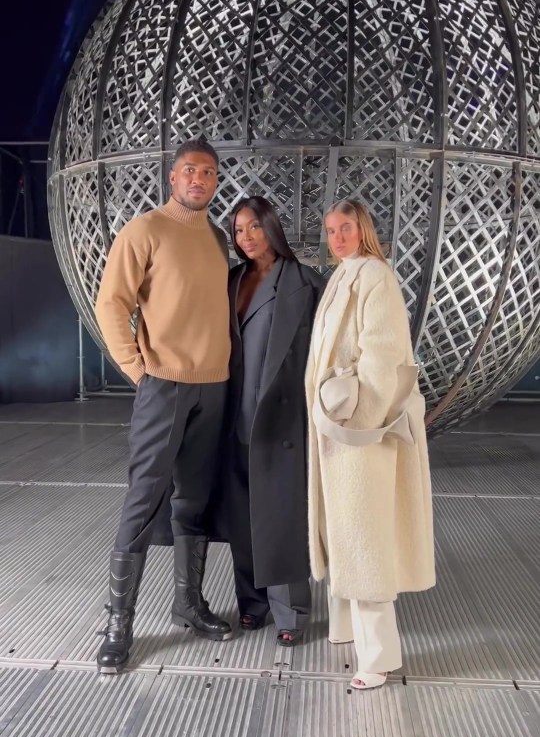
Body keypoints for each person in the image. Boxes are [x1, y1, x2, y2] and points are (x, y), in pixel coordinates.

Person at [94, 138, 233, 674]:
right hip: (164, 386)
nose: (200, 179)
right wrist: (137, 370)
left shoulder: (217, 239)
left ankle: (188, 605)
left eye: (209, 173)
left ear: (216, 183)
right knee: (144, 497)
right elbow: (112, 303)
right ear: (173, 178)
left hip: (213, 385)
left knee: (193, 500)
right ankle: (117, 623)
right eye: (190, 171)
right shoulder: (145, 230)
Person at [305, 199, 435, 688]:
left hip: (359, 433)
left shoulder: (376, 276)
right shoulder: (344, 274)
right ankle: (346, 629)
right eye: (331, 230)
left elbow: (383, 358)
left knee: (365, 541)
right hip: (337, 427)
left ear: (365, 230)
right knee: (346, 533)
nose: (337, 237)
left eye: (347, 228)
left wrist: (356, 421)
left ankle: (377, 658)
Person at [215, 196, 325, 645]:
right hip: (232, 413)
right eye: (239, 231)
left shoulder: (304, 282)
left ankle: (291, 613)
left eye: (254, 227)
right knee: (243, 516)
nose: (246, 238)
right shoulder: (231, 280)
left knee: (281, 516)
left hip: (281, 417)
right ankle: (253, 604)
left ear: (272, 228)